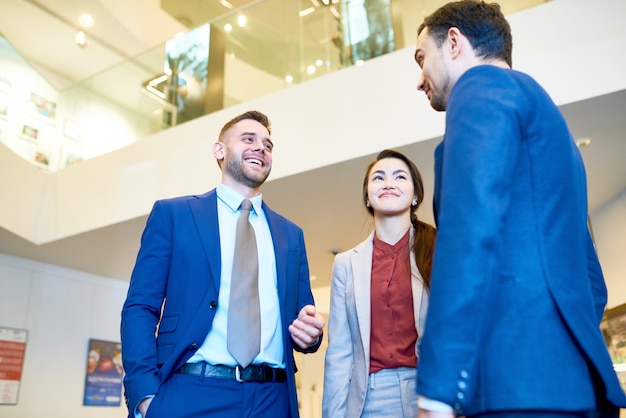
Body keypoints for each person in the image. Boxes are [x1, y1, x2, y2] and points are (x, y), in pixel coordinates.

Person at [412, 1, 626, 417]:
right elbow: (590, 278)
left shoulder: (480, 87)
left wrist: (439, 385)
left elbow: (468, 232)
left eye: (422, 59)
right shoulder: (551, 124)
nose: (420, 79)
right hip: (569, 383)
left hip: (514, 383)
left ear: (454, 42)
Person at [120, 110, 325, 418]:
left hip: (273, 398)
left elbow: (302, 320)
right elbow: (140, 307)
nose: (261, 148)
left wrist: (311, 336)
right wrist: (145, 395)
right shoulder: (174, 215)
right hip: (190, 391)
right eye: (248, 139)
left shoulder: (291, 235)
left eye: (268, 145)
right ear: (219, 150)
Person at [322, 149, 436, 417]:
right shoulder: (346, 263)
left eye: (399, 177)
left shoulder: (439, 250)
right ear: (367, 197)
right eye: (378, 178)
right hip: (369, 398)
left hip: (429, 391)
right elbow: (339, 354)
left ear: (416, 194)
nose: (388, 183)